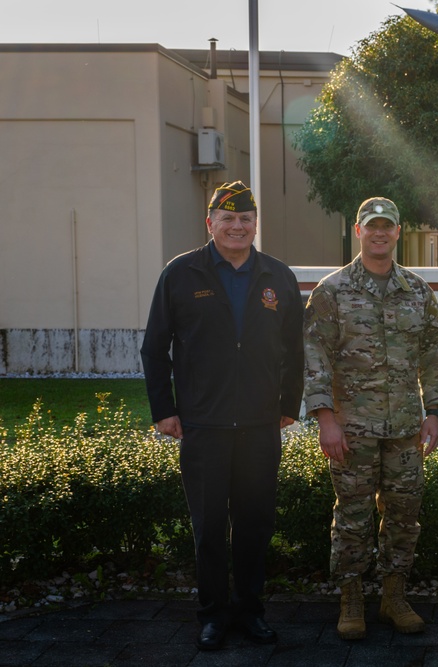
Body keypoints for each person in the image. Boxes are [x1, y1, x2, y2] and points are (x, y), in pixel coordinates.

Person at [140, 181, 304, 651]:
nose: (237, 226)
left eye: (246, 218)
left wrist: (288, 406)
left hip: (258, 427)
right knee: (209, 529)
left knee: (254, 526)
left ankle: (250, 612)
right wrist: (164, 411)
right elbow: (155, 350)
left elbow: (295, 349)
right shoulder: (180, 275)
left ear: (255, 224)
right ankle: (212, 616)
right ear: (209, 222)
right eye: (227, 218)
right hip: (203, 426)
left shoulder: (278, 276)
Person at [302, 196, 438, 641]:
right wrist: (325, 419)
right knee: (353, 515)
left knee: (405, 514)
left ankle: (392, 596)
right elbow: (316, 357)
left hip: (405, 428)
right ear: (358, 230)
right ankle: (351, 599)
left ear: (398, 232)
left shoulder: (418, 291)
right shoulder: (332, 290)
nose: (380, 233)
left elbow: (432, 353)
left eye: (388, 226)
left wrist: (434, 412)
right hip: (351, 430)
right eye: (372, 226)